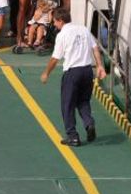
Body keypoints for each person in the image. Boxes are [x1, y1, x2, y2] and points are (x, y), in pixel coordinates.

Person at [41, 8, 107, 146]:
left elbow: (55, 58)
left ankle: (73, 136)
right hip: (87, 71)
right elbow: (95, 48)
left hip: (72, 73)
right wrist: (100, 65)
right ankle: (89, 123)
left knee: (67, 104)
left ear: (60, 20)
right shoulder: (83, 29)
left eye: (55, 22)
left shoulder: (62, 35)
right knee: (83, 101)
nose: (54, 24)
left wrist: (46, 73)